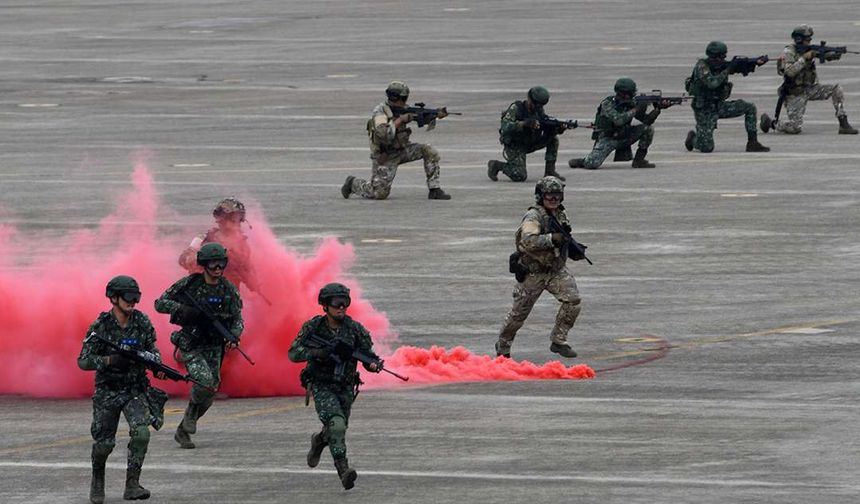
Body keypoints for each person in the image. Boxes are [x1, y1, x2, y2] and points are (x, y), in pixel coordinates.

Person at [78, 275, 168, 503]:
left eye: (136, 297)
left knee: (142, 433)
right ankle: (98, 479)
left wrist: (155, 365)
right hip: (107, 391)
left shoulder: (142, 322)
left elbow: (154, 352)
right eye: (128, 297)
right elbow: (83, 361)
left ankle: (132, 484)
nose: (133, 302)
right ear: (114, 298)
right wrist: (109, 361)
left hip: (134, 389)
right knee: (104, 444)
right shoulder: (100, 327)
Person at [289, 283, 382, 490]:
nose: (341, 308)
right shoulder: (314, 328)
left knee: (336, 430)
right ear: (325, 306)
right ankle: (343, 471)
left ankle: (319, 441)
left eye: (345, 303)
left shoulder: (355, 330)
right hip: (322, 385)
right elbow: (293, 353)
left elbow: (367, 356)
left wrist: (373, 364)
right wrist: (317, 353)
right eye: (336, 303)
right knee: (337, 425)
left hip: (345, 387)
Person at [155, 242, 244, 449]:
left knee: (210, 390)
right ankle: (189, 420)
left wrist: (234, 336)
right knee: (204, 381)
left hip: (214, 346)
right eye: (213, 264)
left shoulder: (228, 289)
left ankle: (185, 426)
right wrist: (185, 310)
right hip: (191, 344)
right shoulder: (189, 285)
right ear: (204, 264)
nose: (217, 268)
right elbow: (160, 303)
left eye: (221, 263)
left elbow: (237, 318)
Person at [495, 176, 584, 360]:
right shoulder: (533, 217)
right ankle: (503, 346)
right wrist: (552, 239)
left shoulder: (560, 214)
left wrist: (573, 248)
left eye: (557, 196)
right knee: (518, 315)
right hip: (533, 273)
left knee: (573, 301)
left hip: (555, 270)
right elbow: (528, 240)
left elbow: (564, 235)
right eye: (549, 196)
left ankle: (558, 340)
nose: (553, 199)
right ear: (540, 196)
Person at [342, 81, 452, 200]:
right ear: (394, 98)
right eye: (403, 98)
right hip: (385, 155)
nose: (405, 101)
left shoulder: (402, 108)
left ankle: (434, 189)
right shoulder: (380, 112)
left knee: (429, 150)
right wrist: (400, 120)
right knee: (379, 193)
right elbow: (383, 133)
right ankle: (353, 183)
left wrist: (435, 114)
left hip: (402, 150)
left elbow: (418, 117)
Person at [760, 25, 858, 135]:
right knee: (795, 128)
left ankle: (843, 123)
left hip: (811, 88)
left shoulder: (810, 49)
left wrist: (833, 54)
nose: (809, 41)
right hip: (795, 93)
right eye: (807, 39)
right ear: (799, 39)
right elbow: (789, 72)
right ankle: (771, 123)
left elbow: (823, 55)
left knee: (837, 89)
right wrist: (804, 58)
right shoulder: (789, 51)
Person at [684, 41, 770, 153]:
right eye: (715, 58)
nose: (719, 60)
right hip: (704, 110)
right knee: (706, 147)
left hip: (719, 106)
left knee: (749, 107)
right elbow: (712, 83)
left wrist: (755, 62)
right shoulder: (701, 66)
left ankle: (753, 143)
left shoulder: (722, 66)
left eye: (721, 57)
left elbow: (738, 67)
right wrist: (728, 70)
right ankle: (693, 139)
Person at [568, 78, 665, 170]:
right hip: (608, 138)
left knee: (648, 129)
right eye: (630, 93)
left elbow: (646, 121)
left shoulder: (631, 103)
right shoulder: (607, 104)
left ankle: (639, 160)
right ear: (623, 94)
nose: (633, 95)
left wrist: (658, 109)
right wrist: (636, 109)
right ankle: (582, 161)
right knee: (592, 164)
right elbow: (618, 120)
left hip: (624, 135)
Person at [178, 197, 264, 296]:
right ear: (222, 220)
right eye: (233, 219)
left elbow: (248, 267)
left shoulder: (242, 245)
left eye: (239, 219)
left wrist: (253, 282)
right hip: (202, 295)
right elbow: (183, 260)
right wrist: (207, 259)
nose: (237, 223)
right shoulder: (204, 239)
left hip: (228, 299)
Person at [488, 86, 570, 182]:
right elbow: (505, 127)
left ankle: (550, 171)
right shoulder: (516, 108)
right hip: (515, 145)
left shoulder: (538, 110)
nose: (539, 107)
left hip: (529, 141)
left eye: (541, 105)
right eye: (537, 104)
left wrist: (558, 128)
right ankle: (496, 165)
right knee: (520, 175)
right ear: (530, 99)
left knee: (553, 139)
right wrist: (524, 124)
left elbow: (545, 123)